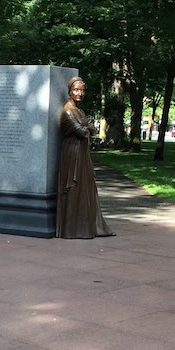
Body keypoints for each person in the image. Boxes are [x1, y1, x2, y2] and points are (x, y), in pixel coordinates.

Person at [56, 76, 114, 239]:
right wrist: (85, 127)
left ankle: (85, 225)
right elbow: (83, 131)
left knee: (86, 187)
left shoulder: (79, 111)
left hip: (82, 152)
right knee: (74, 188)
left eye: (82, 90)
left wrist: (86, 128)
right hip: (72, 152)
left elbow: (92, 129)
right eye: (76, 90)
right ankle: (72, 228)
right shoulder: (67, 111)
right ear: (70, 91)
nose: (80, 93)